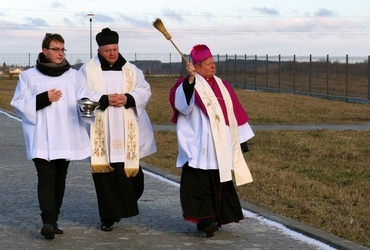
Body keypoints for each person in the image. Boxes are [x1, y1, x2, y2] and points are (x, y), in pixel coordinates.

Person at [10, 33, 93, 240]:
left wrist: (88, 105)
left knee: (60, 179)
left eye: (63, 49)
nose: (60, 53)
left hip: (65, 135)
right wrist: (43, 98)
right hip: (42, 137)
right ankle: (47, 221)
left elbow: (86, 97)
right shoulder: (29, 77)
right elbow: (18, 103)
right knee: (46, 177)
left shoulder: (74, 76)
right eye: (55, 49)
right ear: (44, 51)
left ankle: (53, 220)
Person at [169, 44, 254, 237]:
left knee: (218, 182)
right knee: (199, 185)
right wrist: (190, 79)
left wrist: (240, 140)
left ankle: (216, 217)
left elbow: (234, 113)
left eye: (213, 62)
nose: (213, 66)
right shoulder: (186, 83)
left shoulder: (223, 86)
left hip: (220, 146)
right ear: (196, 67)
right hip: (198, 144)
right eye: (208, 64)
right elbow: (182, 105)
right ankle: (205, 220)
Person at [79, 27, 157, 232]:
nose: (112, 53)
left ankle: (123, 203)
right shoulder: (88, 70)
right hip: (101, 130)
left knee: (134, 178)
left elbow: (144, 90)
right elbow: (80, 93)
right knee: (105, 176)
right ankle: (108, 216)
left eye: (115, 49)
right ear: (99, 51)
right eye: (107, 50)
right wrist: (104, 99)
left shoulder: (131, 70)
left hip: (127, 129)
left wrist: (128, 98)